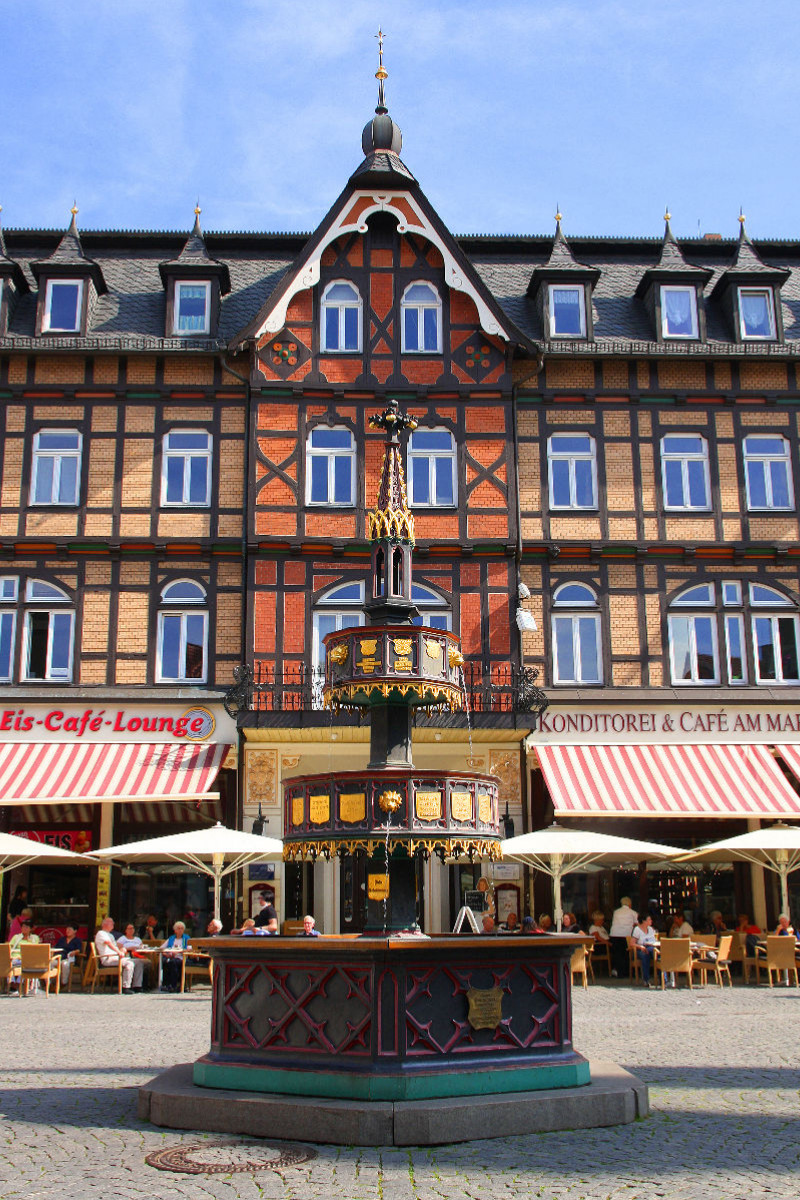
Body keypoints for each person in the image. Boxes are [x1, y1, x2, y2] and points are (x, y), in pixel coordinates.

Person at [96, 917, 144, 993]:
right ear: (105, 924)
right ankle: (126, 987)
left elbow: (115, 946)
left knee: (139, 962)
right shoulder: (101, 933)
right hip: (108, 958)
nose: (113, 924)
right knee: (129, 963)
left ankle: (137, 986)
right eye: (111, 923)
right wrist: (118, 952)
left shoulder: (110, 935)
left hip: (116, 957)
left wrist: (122, 950)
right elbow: (108, 943)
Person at [609, 897, 638, 978]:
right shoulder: (633, 912)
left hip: (615, 934)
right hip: (626, 935)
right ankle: (626, 972)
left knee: (618, 954)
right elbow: (636, 924)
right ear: (630, 904)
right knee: (626, 954)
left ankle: (618, 972)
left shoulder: (616, 912)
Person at [160, 921, 190, 992]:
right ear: (175, 930)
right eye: (178, 928)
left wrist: (178, 952)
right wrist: (167, 954)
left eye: (182, 928)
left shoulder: (186, 938)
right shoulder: (171, 938)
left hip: (182, 957)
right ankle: (166, 984)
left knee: (173, 963)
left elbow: (189, 950)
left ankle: (174, 985)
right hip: (170, 957)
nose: (180, 930)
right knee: (165, 962)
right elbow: (161, 948)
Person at [632, 912, 658, 987]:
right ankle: (646, 980)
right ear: (643, 921)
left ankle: (663, 979)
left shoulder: (651, 929)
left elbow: (654, 941)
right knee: (645, 956)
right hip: (641, 948)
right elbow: (632, 943)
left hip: (651, 947)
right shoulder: (637, 929)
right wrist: (641, 947)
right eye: (649, 919)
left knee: (658, 955)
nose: (651, 921)